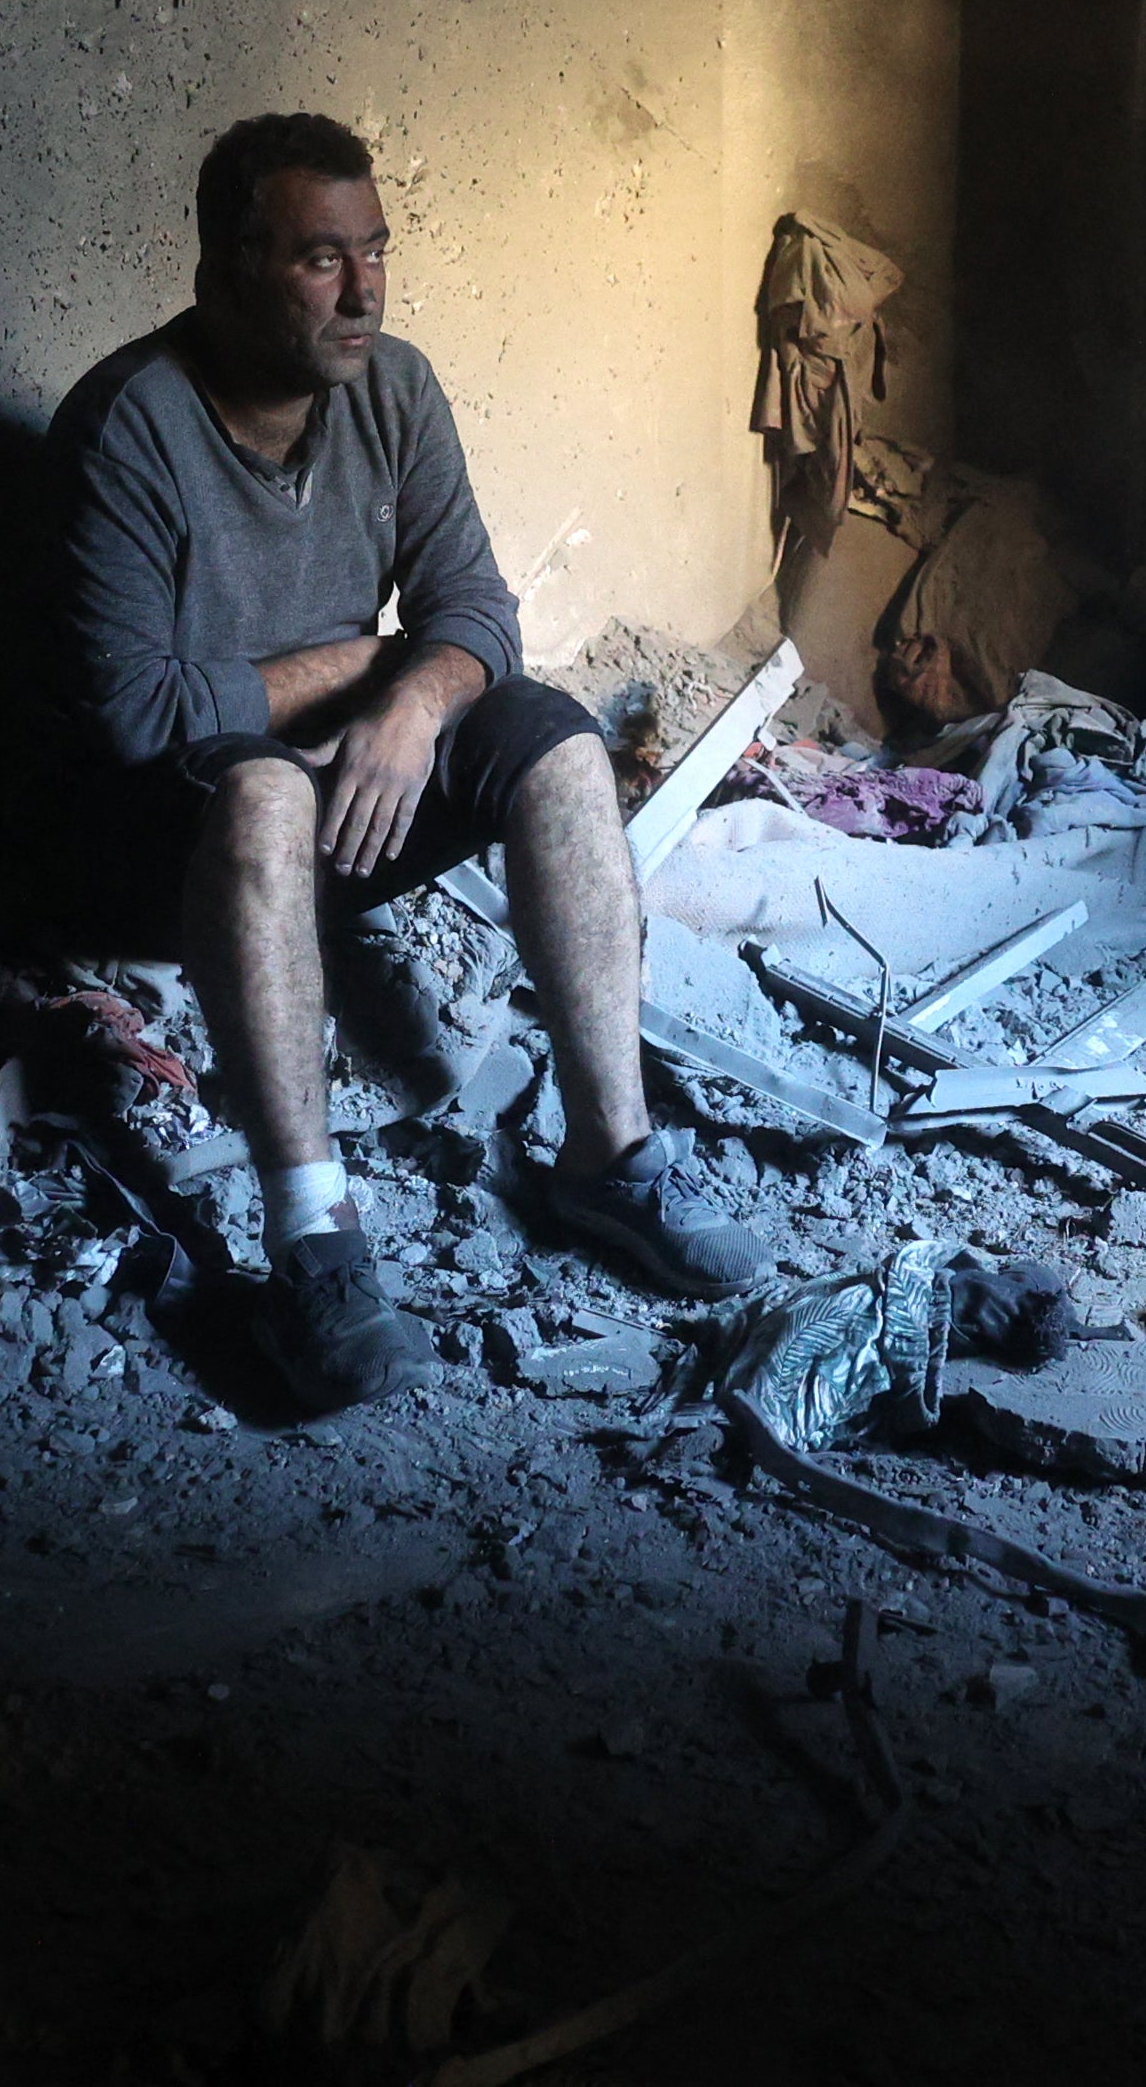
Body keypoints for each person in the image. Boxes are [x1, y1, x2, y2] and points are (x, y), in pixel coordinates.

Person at [46, 112, 763, 1412]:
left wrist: (415, 699)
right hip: (165, 844)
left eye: (374, 251)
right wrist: (364, 661)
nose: (364, 289)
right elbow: (136, 717)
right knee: (262, 784)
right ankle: (313, 1243)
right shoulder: (128, 428)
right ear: (229, 269)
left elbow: (477, 614)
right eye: (323, 261)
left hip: (346, 801)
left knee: (548, 738)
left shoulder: (394, 389)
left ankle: (610, 1153)